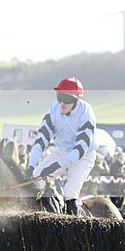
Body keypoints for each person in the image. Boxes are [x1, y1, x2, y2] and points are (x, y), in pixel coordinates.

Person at [25, 77, 98, 216]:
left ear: (77, 100)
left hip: (84, 155)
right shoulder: (53, 110)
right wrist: (31, 165)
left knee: (70, 193)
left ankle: (76, 229)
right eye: (60, 97)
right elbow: (41, 140)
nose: (62, 103)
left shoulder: (86, 112)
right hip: (63, 151)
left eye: (67, 99)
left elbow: (80, 149)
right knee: (35, 179)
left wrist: (57, 165)